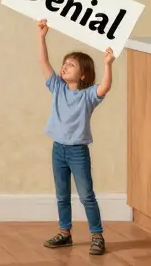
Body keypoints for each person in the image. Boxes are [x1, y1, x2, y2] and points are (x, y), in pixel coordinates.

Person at [37, 18, 113, 256]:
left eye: (71, 65)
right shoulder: (58, 88)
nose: (65, 67)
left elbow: (105, 87)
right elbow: (43, 62)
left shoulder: (88, 96)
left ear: (83, 75)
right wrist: (41, 37)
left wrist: (108, 64)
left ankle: (97, 235)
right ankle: (65, 233)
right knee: (62, 195)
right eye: (65, 64)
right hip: (58, 149)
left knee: (86, 195)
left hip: (78, 151)